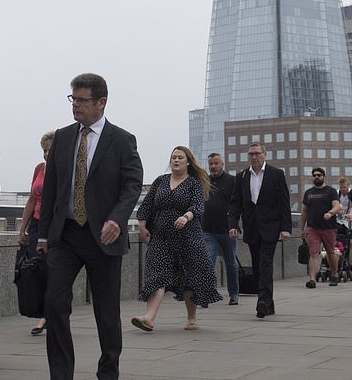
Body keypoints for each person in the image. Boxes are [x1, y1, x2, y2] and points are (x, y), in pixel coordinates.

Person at [37, 73, 144, 380]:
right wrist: (43, 234)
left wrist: (117, 218)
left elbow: (132, 185)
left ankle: (108, 371)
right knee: (54, 302)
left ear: (101, 102)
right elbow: (53, 190)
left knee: (106, 311)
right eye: (73, 100)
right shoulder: (63, 137)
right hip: (66, 235)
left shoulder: (122, 140)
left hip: (103, 236)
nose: (76, 107)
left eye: (82, 100)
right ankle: (61, 374)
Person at [131, 147, 221, 331]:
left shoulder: (194, 183)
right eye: (173, 157)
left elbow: (198, 206)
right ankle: (149, 318)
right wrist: (141, 224)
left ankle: (191, 318)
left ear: (188, 161)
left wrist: (186, 216)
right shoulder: (161, 181)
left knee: (189, 276)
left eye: (180, 157)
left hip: (188, 237)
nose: (176, 160)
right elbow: (147, 204)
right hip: (161, 237)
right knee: (156, 274)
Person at [228, 142, 292, 319]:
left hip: (271, 226)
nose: (254, 157)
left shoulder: (276, 174)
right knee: (257, 267)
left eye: (257, 153)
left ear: (264, 154)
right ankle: (268, 303)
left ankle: (262, 301)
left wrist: (286, 228)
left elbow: (284, 203)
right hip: (251, 228)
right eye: (251, 154)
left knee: (265, 263)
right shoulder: (241, 177)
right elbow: (235, 204)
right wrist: (233, 224)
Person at [18, 130, 54, 335]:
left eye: (50, 150)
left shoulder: (65, 170)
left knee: (52, 270)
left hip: (54, 226)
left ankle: (49, 315)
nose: (47, 154)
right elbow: (32, 199)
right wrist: (22, 228)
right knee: (36, 270)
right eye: (45, 150)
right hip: (37, 224)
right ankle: (44, 312)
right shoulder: (40, 169)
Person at [202, 152, 240, 306]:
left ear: (222, 164)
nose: (213, 166)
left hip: (227, 230)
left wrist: (234, 225)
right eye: (211, 164)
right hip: (208, 230)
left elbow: (236, 205)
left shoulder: (232, 181)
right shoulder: (204, 181)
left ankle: (234, 294)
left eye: (216, 163)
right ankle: (206, 294)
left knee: (230, 263)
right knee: (207, 263)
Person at [301, 167, 343, 287]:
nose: (316, 177)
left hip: (328, 227)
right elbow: (304, 211)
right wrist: (301, 228)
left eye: (319, 175)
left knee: (330, 252)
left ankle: (334, 274)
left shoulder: (331, 191)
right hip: (312, 227)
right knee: (313, 253)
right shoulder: (308, 193)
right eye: (314, 175)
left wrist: (330, 213)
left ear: (323, 176)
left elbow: (337, 206)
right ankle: (312, 279)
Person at [337, 177, 352, 269]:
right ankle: (347, 264)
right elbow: (336, 205)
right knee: (343, 242)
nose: (343, 189)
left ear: (348, 186)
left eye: (345, 187)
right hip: (342, 220)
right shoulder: (337, 193)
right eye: (341, 187)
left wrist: (350, 214)